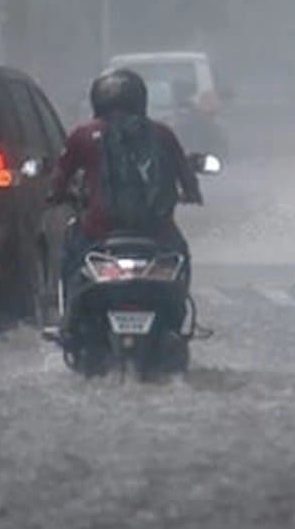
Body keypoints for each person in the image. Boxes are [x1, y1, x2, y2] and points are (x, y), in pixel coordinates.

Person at [49, 69, 202, 332]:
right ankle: (178, 324)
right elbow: (186, 177)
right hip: (157, 233)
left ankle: (67, 322)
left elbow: (59, 179)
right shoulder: (162, 134)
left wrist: (55, 196)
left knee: (69, 256)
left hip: (98, 232)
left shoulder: (84, 135)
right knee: (181, 256)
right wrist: (191, 195)